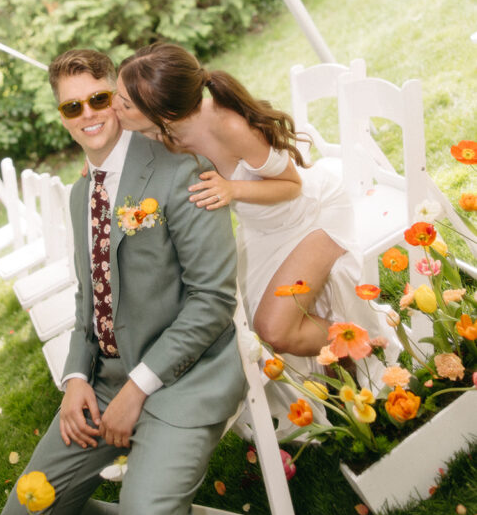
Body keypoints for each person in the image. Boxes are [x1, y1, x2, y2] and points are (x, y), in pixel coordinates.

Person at [0, 48, 246, 515]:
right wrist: (77, 379)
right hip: (107, 380)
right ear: (60, 116)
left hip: (187, 375)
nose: (87, 114)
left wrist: (138, 387)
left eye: (98, 98)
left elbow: (212, 301)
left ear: (119, 97)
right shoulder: (80, 194)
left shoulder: (180, 170)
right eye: (71, 107)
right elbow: (91, 301)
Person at [114, 43, 397, 370]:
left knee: (273, 330)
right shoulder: (161, 132)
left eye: (124, 104)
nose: (114, 110)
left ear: (165, 113)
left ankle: (364, 341)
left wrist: (231, 188)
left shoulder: (229, 126)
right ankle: (343, 367)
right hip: (262, 228)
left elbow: (292, 186)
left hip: (311, 216)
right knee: (237, 317)